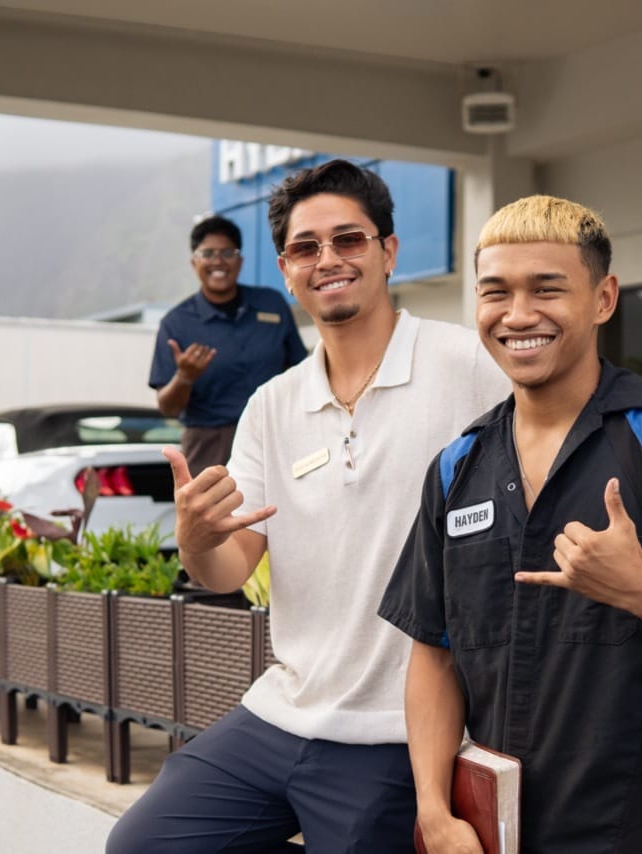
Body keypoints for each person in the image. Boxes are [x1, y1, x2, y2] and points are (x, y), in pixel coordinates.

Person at [108, 160, 509, 854]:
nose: (327, 259)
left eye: (349, 240)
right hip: (283, 711)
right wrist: (197, 536)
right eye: (305, 247)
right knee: (144, 846)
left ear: (388, 252)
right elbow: (230, 570)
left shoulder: (470, 366)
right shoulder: (273, 404)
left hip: (398, 732)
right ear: (288, 270)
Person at [379, 195, 642, 853]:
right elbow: (433, 652)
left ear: (603, 299)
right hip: (496, 832)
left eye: (547, 289)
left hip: (638, 830)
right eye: (496, 293)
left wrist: (639, 589)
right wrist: (434, 810)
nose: (518, 315)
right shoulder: (458, 467)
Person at [149, 214, 308, 476]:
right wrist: (184, 377)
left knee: (284, 514)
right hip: (210, 446)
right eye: (208, 253)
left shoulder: (272, 304)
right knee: (214, 516)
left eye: (227, 252)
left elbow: (301, 371)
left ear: (240, 260)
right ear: (194, 262)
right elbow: (167, 407)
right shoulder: (175, 324)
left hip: (276, 434)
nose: (218, 261)